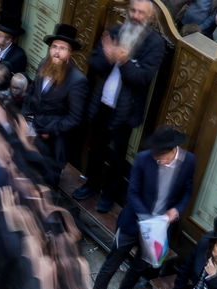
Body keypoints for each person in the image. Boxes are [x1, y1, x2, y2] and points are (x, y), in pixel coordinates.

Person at [73, 0, 167, 212]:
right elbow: (94, 62)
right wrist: (108, 57)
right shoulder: (115, 31)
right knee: (96, 147)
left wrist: (124, 61)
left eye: (141, 13)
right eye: (132, 10)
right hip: (102, 103)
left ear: (150, 17)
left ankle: (109, 194)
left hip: (126, 111)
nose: (135, 16)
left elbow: (143, 78)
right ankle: (91, 184)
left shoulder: (155, 43)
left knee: (117, 156)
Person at [93, 127, 195, 289]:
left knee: (140, 266)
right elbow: (133, 193)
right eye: (156, 157)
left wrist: (176, 210)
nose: (158, 161)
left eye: (162, 158)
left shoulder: (189, 161)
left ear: (174, 150)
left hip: (159, 229)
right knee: (112, 262)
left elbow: (187, 192)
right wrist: (147, 220)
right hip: (133, 222)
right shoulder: (143, 158)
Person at [24, 25, 88, 184]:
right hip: (32, 131)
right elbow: (33, 91)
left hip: (53, 142)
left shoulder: (77, 80)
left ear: (70, 52)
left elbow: (74, 118)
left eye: (62, 48)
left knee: (45, 183)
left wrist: (50, 131)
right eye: (54, 47)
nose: (57, 52)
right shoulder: (43, 64)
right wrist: (25, 117)